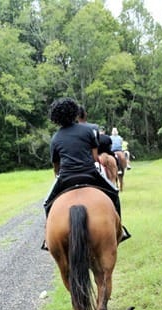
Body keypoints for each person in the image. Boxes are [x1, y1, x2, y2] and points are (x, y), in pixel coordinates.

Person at [42, 97, 130, 249]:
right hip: (90, 173)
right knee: (114, 193)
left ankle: (48, 240)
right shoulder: (88, 131)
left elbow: (56, 167)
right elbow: (95, 157)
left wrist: (60, 174)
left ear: (56, 118)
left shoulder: (55, 138)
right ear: (75, 113)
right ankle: (119, 230)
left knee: (47, 203)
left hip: (66, 177)